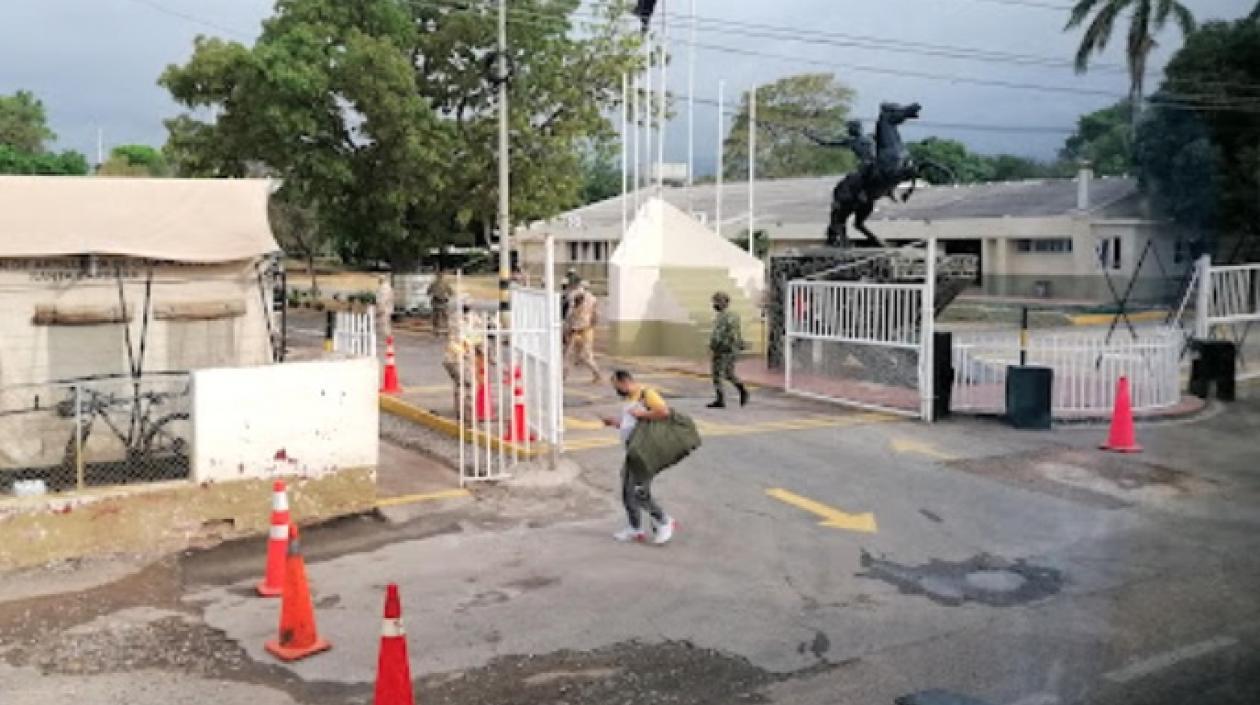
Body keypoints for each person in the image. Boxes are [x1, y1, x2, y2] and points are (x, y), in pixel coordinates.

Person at [601, 370, 676, 544]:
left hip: (646, 451)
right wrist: (615, 423)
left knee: (638, 491)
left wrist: (643, 414)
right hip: (633, 450)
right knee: (628, 490)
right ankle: (635, 528)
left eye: (616, 386)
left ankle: (664, 521)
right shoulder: (629, 399)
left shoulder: (647, 394)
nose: (616, 390)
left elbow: (664, 412)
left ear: (625, 381)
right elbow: (631, 424)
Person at [708, 291, 749, 408]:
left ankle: (720, 400)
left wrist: (713, 345)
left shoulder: (722, 317)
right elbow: (737, 333)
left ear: (722, 302)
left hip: (722, 348)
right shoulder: (735, 315)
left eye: (716, 302)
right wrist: (740, 344)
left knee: (717, 374)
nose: (714, 304)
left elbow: (718, 335)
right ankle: (742, 389)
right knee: (729, 373)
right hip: (732, 348)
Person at [565, 282, 602, 383]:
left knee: (583, 355)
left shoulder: (589, 300)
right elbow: (596, 315)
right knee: (570, 354)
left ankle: (597, 374)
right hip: (579, 330)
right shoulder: (577, 299)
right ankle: (563, 375)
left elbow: (596, 315)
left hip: (584, 329)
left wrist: (567, 330)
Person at [427, 271, 453, 337]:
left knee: (436, 317)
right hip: (443, 302)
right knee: (445, 317)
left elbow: (428, 292)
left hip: (436, 302)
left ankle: (437, 331)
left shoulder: (433, 284)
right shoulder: (445, 283)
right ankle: (446, 331)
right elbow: (451, 293)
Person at [376, 274, 394, 341]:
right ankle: (388, 336)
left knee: (384, 323)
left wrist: (381, 308)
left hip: (385, 308)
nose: (378, 280)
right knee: (385, 323)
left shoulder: (384, 288)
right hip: (387, 308)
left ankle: (388, 337)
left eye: (379, 279)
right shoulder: (386, 287)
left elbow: (383, 299)